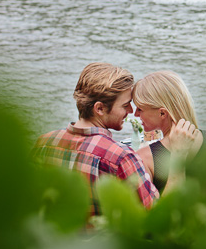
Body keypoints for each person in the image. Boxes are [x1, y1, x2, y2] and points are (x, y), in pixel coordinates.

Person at [32, 63, 196, 218]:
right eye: (125, 105)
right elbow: (158, 220)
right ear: (100, 109)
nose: (131, 111)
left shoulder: (44, 143)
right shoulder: (122, 158)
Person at [132, 70, 206, 193]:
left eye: (140, 109)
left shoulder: (144, 158)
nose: (135, 114)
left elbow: (158, 212)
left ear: (162, 113)